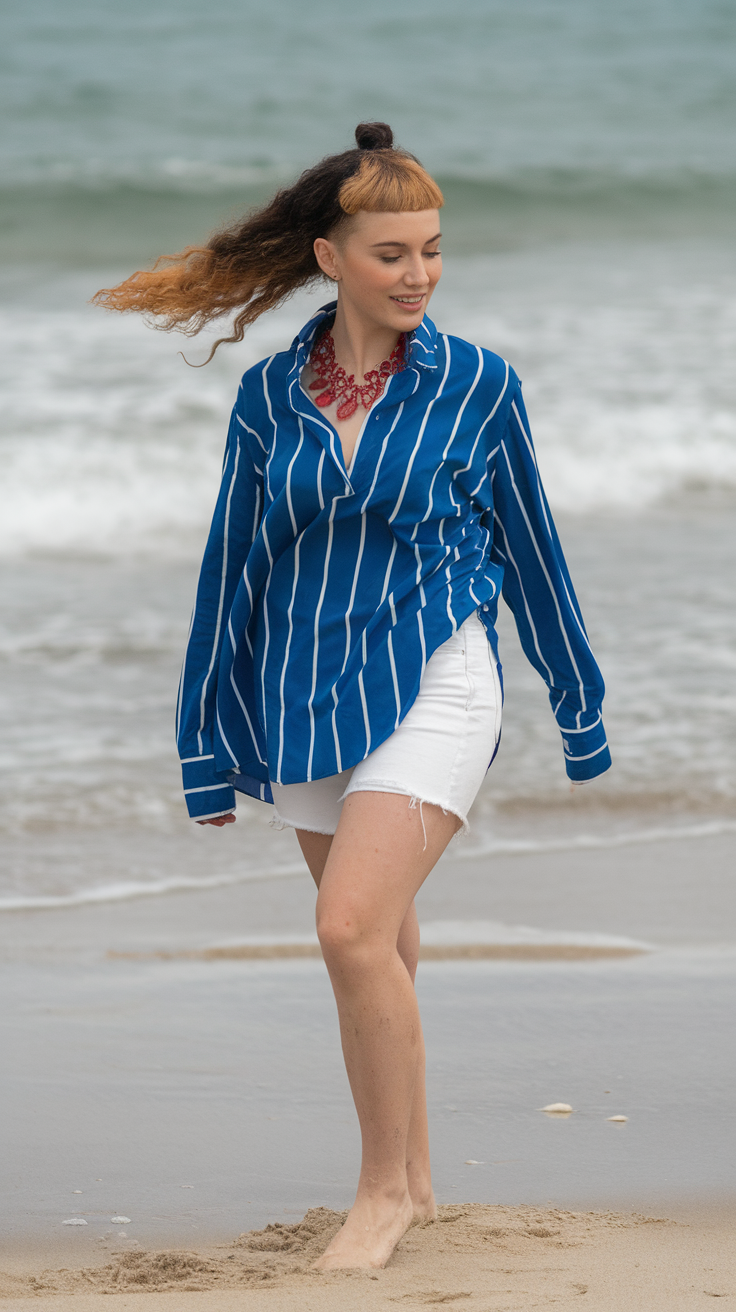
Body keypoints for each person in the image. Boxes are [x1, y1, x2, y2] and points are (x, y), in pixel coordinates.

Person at [94, 122, 611, 1270]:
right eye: (391, 253)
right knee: (383, 941)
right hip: (305, 689)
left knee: (345, 930)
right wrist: (207, 736)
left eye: (431, 249)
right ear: (330, 258)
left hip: (436, 668)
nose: (418, 273)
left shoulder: (477, 385)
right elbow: (232, 569)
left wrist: (577, 702)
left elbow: (530, 548)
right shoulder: (272, 396)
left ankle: (378, 1194)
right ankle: (418, 1178)